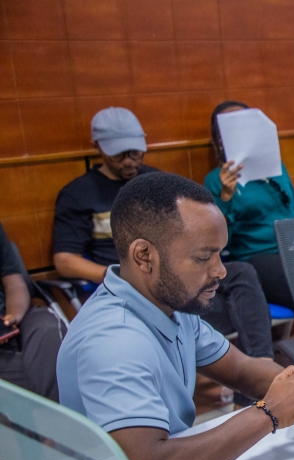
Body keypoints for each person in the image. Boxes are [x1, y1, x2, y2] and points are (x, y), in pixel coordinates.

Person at [57, 172, 294, 460]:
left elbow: (241, 370)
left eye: (220, 254)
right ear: (144, 256)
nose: (221, 270)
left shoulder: (167, 305)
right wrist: (270, 413)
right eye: (203, 257)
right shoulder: (113, 341)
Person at [52, 108, 275, 365]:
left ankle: (262, 362)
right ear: (98, 148)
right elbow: (65, 259)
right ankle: (252, 376)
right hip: (136, 283)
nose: (128, 161)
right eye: (118, 155)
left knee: (240, 274)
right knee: (231, 309)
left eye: (135, 152)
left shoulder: (157, 183)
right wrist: (116, 274)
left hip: (176, 267)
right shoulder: (79, 194)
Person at [203, 101, 294, 310]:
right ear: (220, 139)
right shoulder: (215, 180)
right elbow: (218, 239)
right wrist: (226, 197)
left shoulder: (277, 168)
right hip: (258, 255)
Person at [0, 223, 65, 401]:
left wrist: (13, 316)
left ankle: (63, 422)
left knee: (48, 328)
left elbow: (14, 283)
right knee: (33, 373)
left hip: (9, 315)